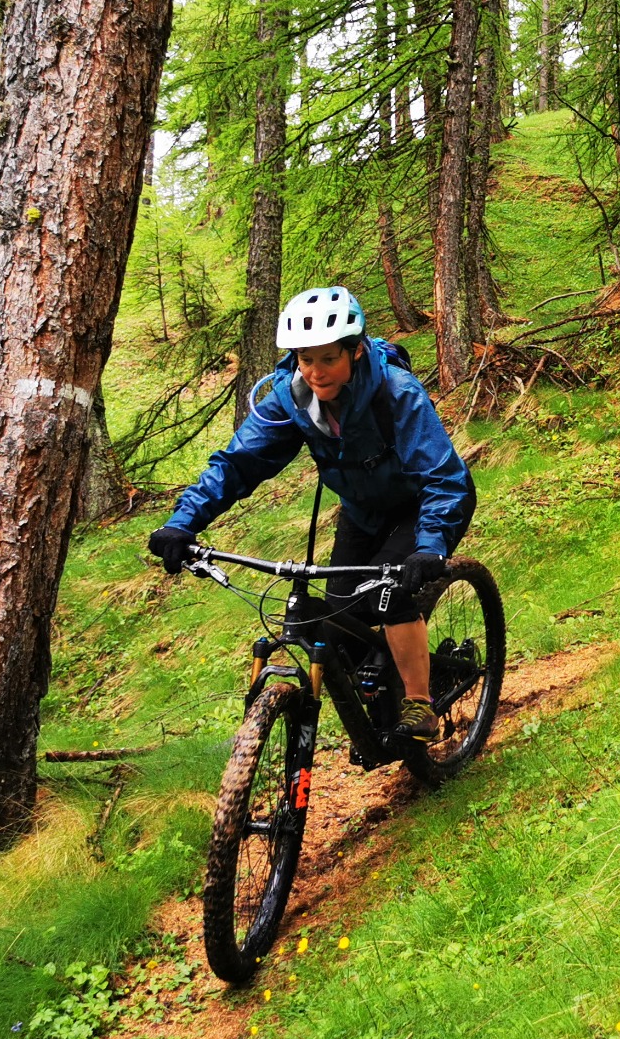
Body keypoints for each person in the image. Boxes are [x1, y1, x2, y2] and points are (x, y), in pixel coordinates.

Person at [148, 286, 475, 742]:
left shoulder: (396, 392)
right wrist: (183, 523)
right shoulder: (290, 399)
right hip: (361, 512)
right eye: (306, 359)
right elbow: (238, 464)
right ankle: (385, 696)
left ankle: (419, 703)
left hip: (422, 505)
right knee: (340, 620)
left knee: (391, 594)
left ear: (355, 351)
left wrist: (430, 545)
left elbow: (442, 475)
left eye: (328, 358)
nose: (316, 371)